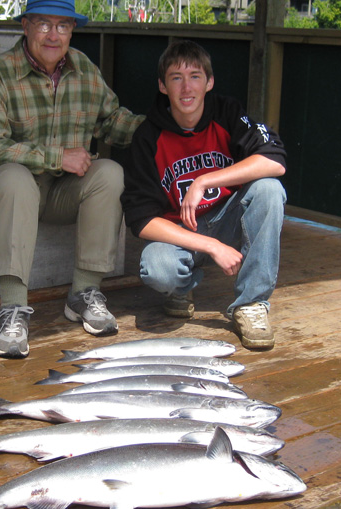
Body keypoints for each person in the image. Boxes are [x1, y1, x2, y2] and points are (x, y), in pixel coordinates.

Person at [0, 0, 144, 359]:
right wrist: (55, 157)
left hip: (60, 194)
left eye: (63, 26)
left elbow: (113, 122)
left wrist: (166, 125)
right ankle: (13, 309)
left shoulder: (84, 68)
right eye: (44, 24)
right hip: (4, 191)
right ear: (25, 27)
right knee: (17, 179)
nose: (53, 34)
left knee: (110, 172)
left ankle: (83, 294)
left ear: (72, 31)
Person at [121, 40, 287, 350]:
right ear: (162, 85)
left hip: (229, 220)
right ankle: (181, 288)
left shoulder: (227, 113)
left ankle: (251, 303)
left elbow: (274, 161)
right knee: (156, 268)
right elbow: (140, 219)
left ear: (209, 82)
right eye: (176, 78)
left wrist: (204, 181)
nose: (186, 88)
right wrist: (210, 246)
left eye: (195, 76)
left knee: (268, 189)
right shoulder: (147, 136)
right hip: (183, 234)